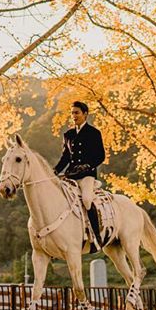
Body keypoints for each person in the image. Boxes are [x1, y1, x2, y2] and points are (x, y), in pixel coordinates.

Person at [54, 101, 106, 240]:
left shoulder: (94, 133)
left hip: (87, 176)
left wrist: (88, 165)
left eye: (76, 112)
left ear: (85, 114)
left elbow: (101, 156)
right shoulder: (68, 134)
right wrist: (55, 171)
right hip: (70, 176)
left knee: (87, 200)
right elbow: (65, 157)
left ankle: (96, 234)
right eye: (72, 113)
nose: (74, 115)